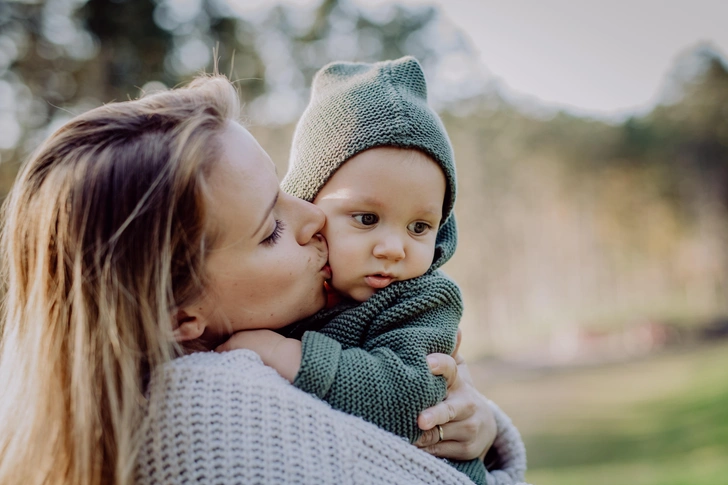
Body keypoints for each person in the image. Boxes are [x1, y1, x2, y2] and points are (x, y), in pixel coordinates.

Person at [0, 74, 529, 485]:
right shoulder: (218, 406)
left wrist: (480, 423)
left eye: (283, 189)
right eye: (270, 229)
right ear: (179, 314)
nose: (314, 217)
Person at [220, 56, 486, 484]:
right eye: (365, 219)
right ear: (309, 207)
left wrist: (288, 355)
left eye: (420, 227)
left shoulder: (424, 299)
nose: (393, 248)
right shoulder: (287, 293)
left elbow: (415, 396)